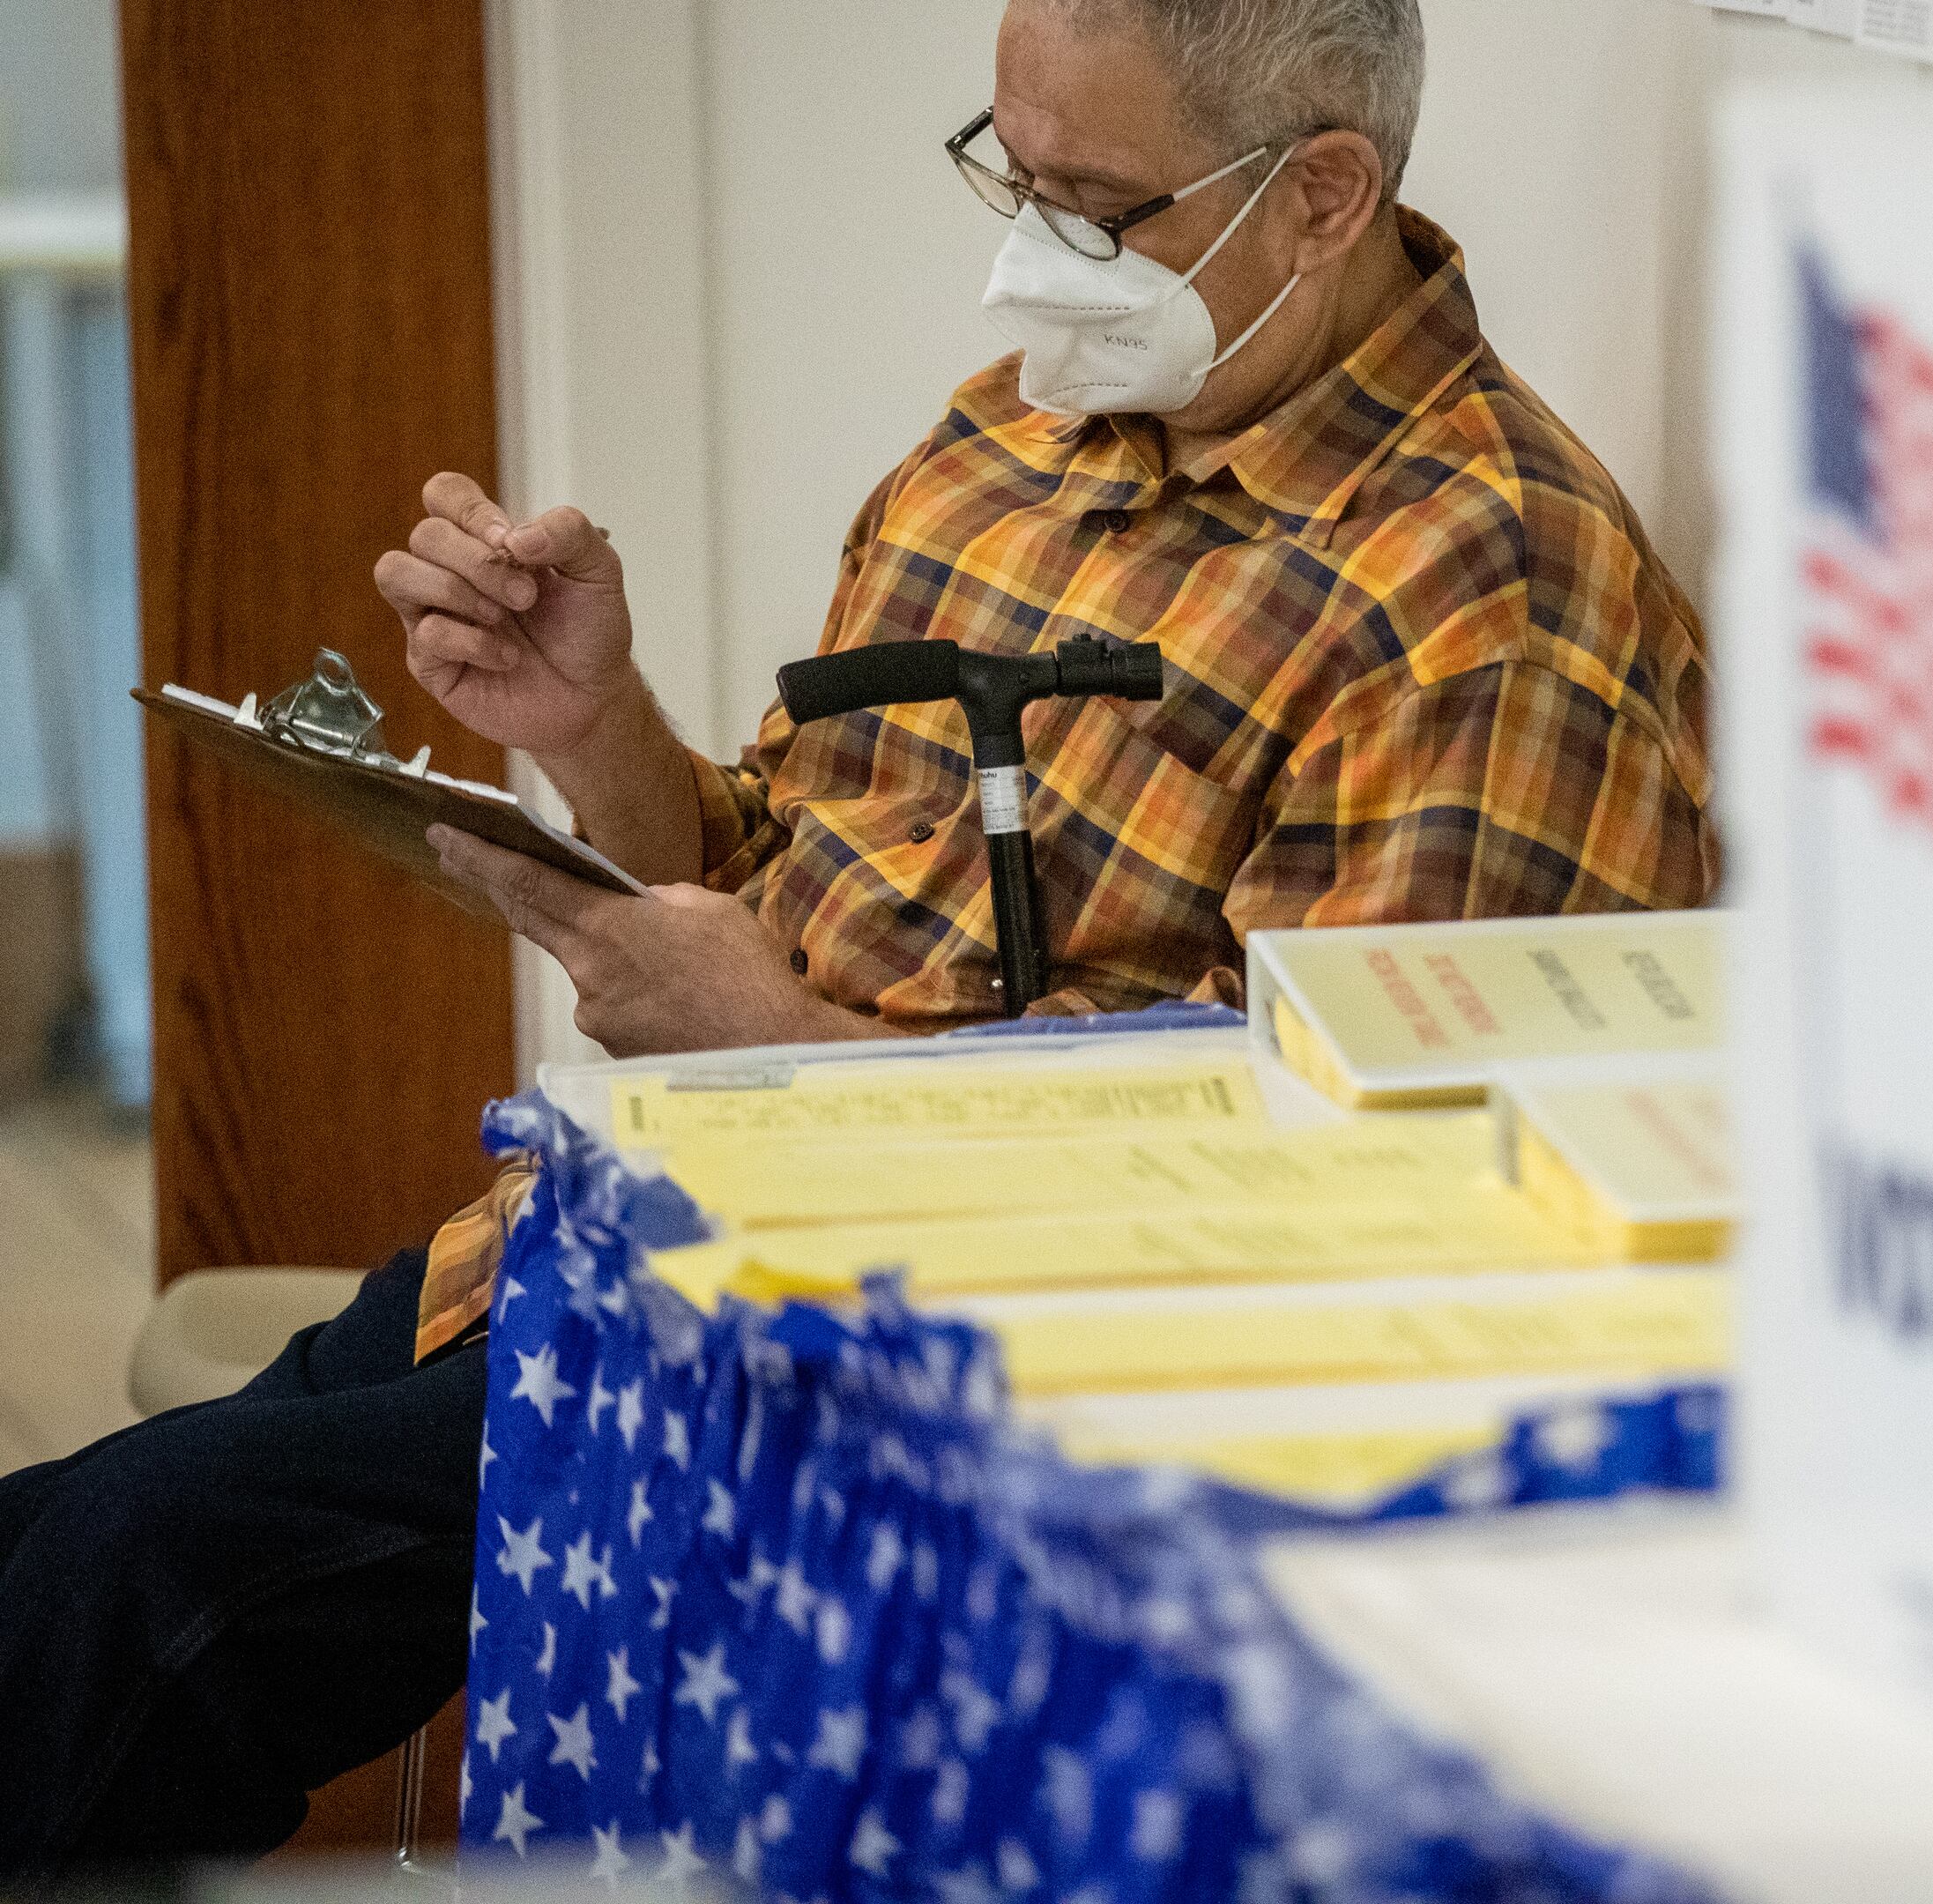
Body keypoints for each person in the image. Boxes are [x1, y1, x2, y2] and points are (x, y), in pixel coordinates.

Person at [0, 0, 1712, 1871]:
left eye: (1092, 205)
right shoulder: (1019, 440)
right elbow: (779, 854)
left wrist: (781, 1055)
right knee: (52, 1551)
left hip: (893, 1409)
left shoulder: (1489, 600)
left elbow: (1353, 1214)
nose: (1022, 265)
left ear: (1319, 197)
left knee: (121, 1595)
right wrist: (597, 730)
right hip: (601, 1248)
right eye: (1010, 175)